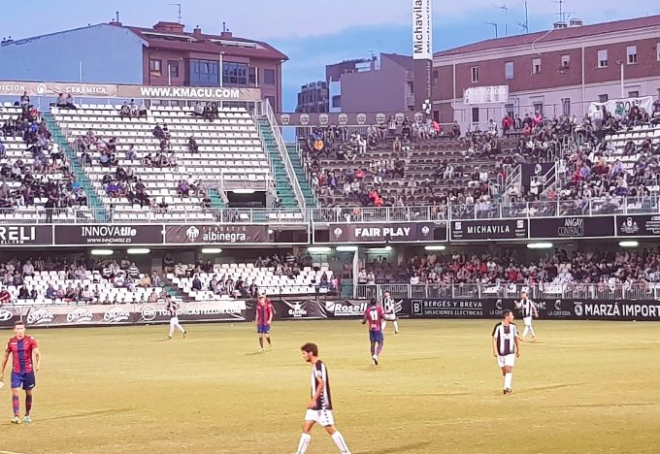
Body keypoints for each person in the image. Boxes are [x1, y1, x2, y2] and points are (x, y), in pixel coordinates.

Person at [291, 343, 352, 454]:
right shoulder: (316, 366)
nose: (303, 356)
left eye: (304, 353)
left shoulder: (319, 366)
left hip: (321, 405)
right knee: (306, 427)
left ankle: (346, 452)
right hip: (315, 406)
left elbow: (321, 383)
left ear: (311, 353)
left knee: (330, 429)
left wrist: (314, 400)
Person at [0, 321, 41, 424]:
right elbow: (5, 356)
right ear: (14, 330)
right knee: (15, 391)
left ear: (24, 329)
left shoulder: (30, 340)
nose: (19, 331)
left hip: (28, 372)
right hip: (16, 372)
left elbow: (37, 353)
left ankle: (27, 415)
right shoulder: (11, 342)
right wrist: (1, 372)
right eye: (17, 329)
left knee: (29, 393)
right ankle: (16, 416)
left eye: (21, 328)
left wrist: (38, 363)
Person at [492, 310, 520, 395]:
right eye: (512, 316)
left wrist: (518, 349)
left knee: (508, 369)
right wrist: (495, 350)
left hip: (510, 352)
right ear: (507, 317)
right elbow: (494, 339)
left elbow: (516, 338)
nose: (513, 317)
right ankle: (506, 379)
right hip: (501, 352)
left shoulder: (514, 326)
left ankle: (507, 387)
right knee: (504, 370)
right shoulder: (498, 326)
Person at [361, 298, 384, 365]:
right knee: (381, 343)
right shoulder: (379, 309)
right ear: (376, 302)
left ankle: (373, 360)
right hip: (378, 329)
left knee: (372, 344)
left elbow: (364, 321)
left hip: (371, 329)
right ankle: (376, 355)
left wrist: (361, 322)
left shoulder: (367, 310)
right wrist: (392, 319)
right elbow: (383, 317)